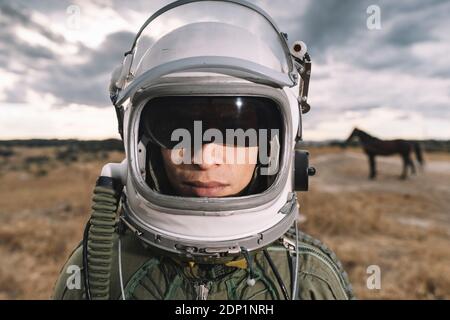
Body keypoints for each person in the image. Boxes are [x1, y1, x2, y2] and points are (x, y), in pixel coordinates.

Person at [53, 0, 354, 300]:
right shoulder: (96, 271)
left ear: (273, 148)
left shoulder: (309, 279)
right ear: (144, 145)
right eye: (177, 130)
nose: (205, 159)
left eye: (238, 131)